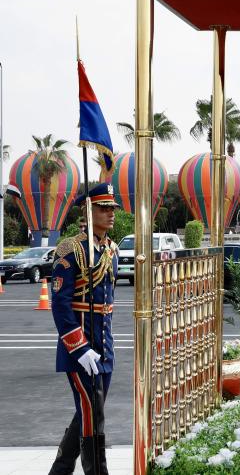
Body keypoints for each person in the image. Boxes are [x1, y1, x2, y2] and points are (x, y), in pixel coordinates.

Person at [49, 183, 118, 475]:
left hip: (104, 346)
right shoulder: (71, 249)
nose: (110, 214)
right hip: (80, 348)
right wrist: (80, 348)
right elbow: (60, 304)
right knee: (91, 413)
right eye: (103, 208)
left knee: (91, 411)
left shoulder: (111, 249)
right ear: (88, 212)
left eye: (112, 208)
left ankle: (60, 469)